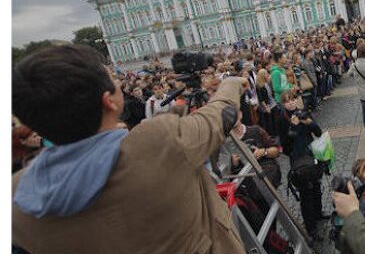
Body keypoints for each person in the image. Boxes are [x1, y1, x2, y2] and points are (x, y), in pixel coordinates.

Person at [12, 44, 247, 254]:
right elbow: (220, 114)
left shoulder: (15, 199)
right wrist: (230, 83)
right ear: (109, 101)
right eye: (112, 80)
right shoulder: (159, 143)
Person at [277, 90, 326, 241]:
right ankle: (311, 228)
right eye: (287, 101)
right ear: (283, 103)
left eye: (293, 99)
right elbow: (285, 146)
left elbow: (318, 133)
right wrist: (292, 127)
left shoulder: (304, 113)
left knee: (317, 186)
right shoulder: (282, 119)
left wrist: (310, 123)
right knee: (305, 194)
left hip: (312, 154)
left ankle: (318, 214)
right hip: (298, 161)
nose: (291, 103)